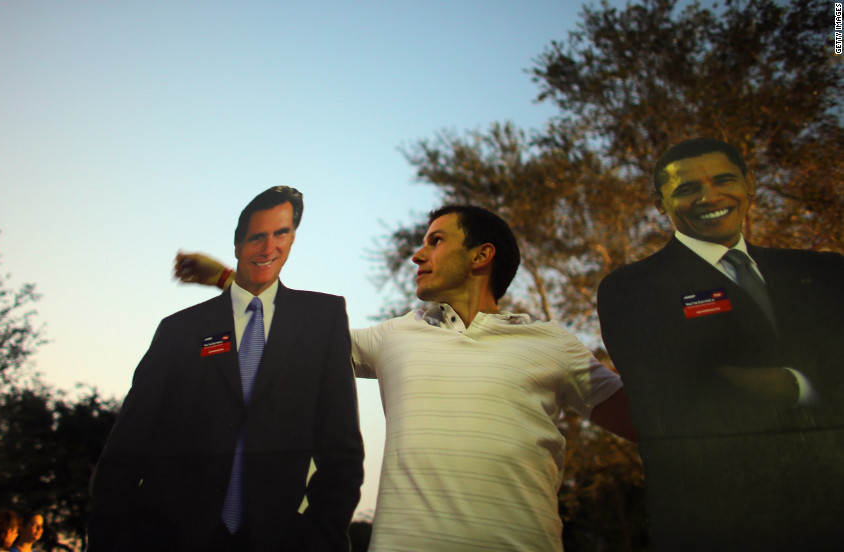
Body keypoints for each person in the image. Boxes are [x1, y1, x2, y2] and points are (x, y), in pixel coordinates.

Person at [178, 204, 636, 552]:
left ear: (482, 255)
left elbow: (646, 423)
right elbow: (297, 334)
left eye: (436, 241)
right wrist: (227, 278)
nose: (418, 254)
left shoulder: (549, 340)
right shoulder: (396, 334)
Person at [597, 137, 844, 551]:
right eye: (687, 188)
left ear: (750, 184)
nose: (710, 196)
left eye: (724, 179)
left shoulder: (825, 273)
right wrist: (815, 381)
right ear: (660, 203)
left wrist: (785, 382)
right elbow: (674, 395)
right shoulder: (630, 290)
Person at [89, 186, 364, 551]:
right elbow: (124, 451)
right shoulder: (179, 330)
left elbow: (341, 452)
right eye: (257, 237)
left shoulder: (322, 320)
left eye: (281, 234)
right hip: (170, 539)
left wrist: (319, 537)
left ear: (293, 238)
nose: (269, 248)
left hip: (278, 541)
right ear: (237, 246)